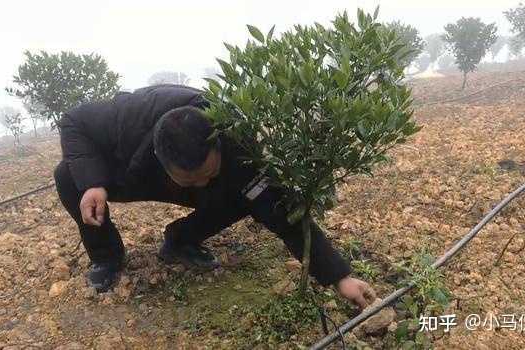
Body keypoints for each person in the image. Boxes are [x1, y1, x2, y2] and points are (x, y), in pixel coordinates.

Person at [53, 84, 377, 309]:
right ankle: (106, 256)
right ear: (165, 163)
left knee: (244, 195)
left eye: (208, 172)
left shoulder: (235, 140)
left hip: (202, 172)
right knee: (68, 175)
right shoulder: (130, 116)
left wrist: (339, 277)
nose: (201, 183)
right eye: (193, 179)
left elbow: (281, 212)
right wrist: (93, 183)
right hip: (136, 172)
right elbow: (72, 120)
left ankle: (180, 240)